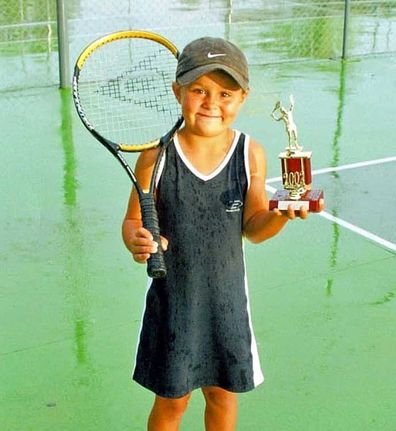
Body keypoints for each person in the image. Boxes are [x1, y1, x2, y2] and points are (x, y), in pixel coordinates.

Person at [122, 37, 324, 431]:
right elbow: (133, 221)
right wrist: (137, 239)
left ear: (243, 97)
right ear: (177, 90)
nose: (212, 102)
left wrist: (283, 212)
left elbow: (253, 228)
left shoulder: (251, 153)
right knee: (172, 402)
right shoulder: (154, 157)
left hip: (227, 304)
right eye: (198, 90)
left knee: (222, 396)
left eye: (225, 93)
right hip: (174, 303)